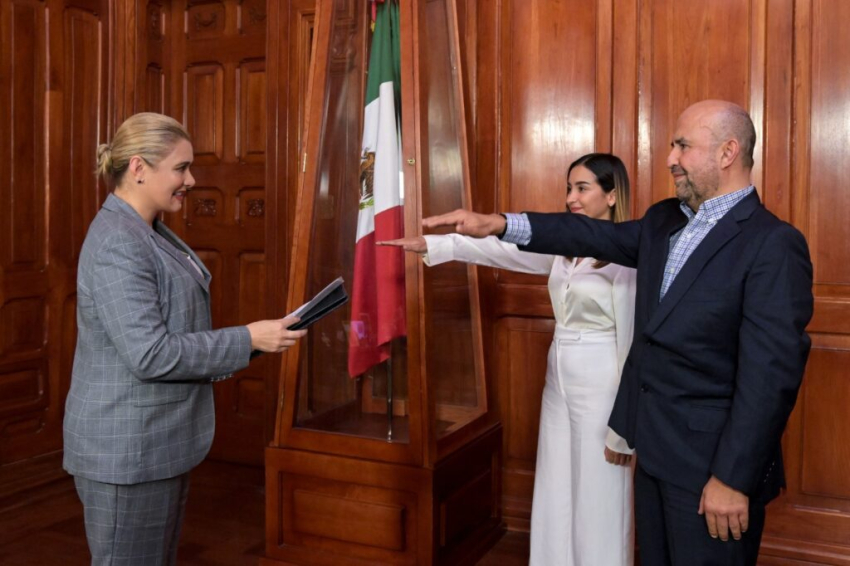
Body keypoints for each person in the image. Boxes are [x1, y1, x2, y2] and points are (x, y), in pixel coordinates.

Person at [421, 100, 814, 566]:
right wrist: (500, 224)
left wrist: (732, 478)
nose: (670, 158)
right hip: (655, 453)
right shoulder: (664, 220)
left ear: (727, 152)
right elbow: (588, 236)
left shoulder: (772, 242)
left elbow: (770, 378)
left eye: (682, 146)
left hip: (713, 469)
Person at [63, 112, 306, 566]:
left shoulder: (146, 230)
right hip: (128, 451)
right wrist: (248, 338)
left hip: (156, 445)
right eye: (180, 168)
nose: (191, 180)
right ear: (138, 168)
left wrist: (253, 340)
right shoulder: (119, 240)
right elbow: (150, 354)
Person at [382, 153, 636, 566]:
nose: (571, 197)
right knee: (555, 486)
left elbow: (631, 344)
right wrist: (437, 244)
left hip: (603, 381)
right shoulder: (563, 248)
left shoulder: (627, 258)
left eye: (582, 188)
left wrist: (625, 429)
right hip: (558, 379)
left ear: (611, 196)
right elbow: (501, 250)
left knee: (601, 494)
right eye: (568, 188)